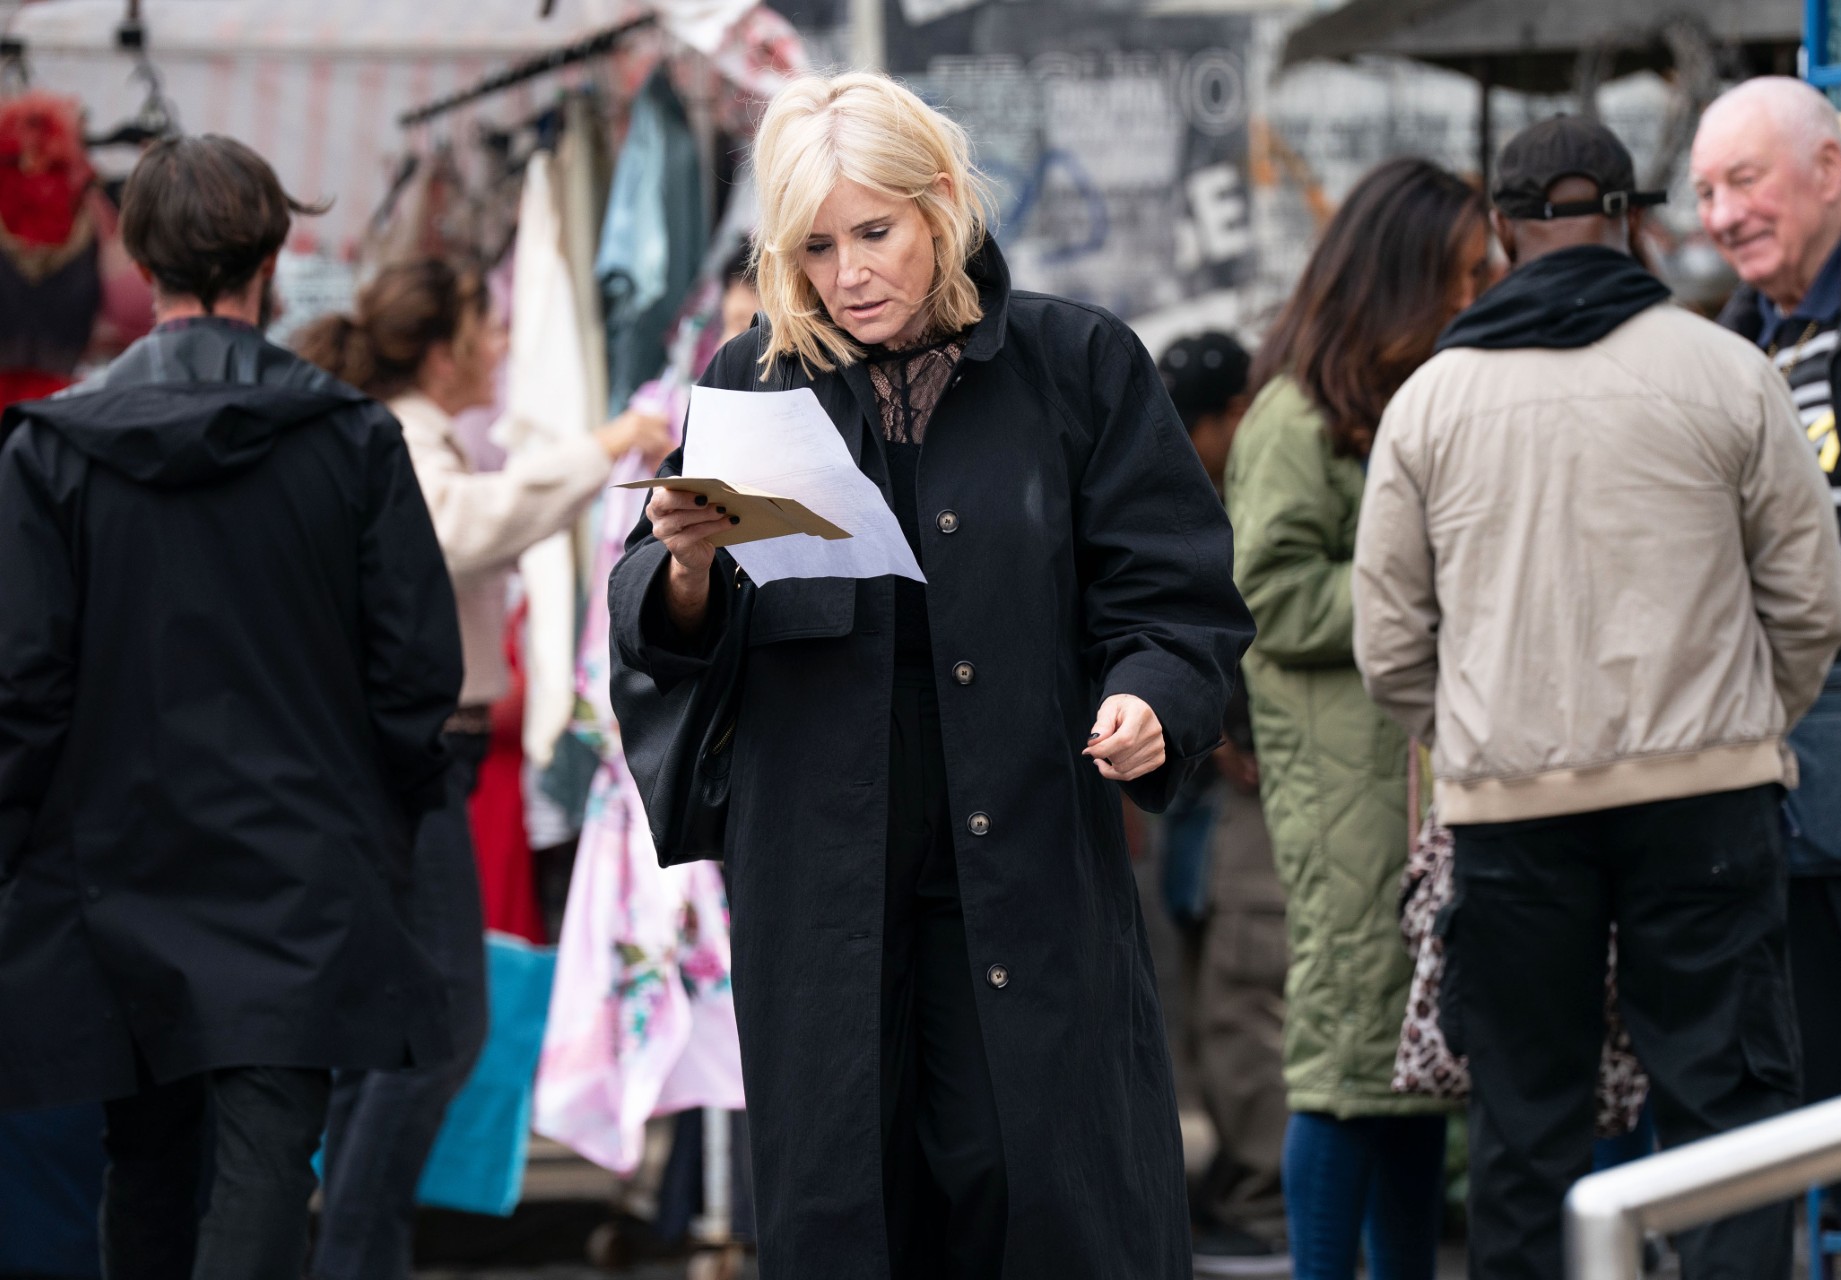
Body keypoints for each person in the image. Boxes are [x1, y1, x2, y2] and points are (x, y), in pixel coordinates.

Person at [610, 72, 1254, 1279]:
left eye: (874, 232)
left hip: (1025, 839)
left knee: (1038, 1186)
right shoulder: (754, 378)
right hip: (821, 867)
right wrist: (687, 564)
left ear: (943, 202)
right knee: (848, 1199)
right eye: (816, 247)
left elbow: (1173, 596)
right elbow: (664, 626)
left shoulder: (1079, 365)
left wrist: (1150, 697)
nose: (849, 273)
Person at [1353, 115, 1841, 1279]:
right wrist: (1742, 725)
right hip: (1708, 796)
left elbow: (1388, 642)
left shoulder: (1432, 402)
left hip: (1510, 810)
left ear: (1501, 230)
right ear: (1632, 220)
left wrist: (1475, 736)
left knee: (1527, 1126)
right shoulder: (1730, 370)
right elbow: (1811, 605)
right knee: (1727, 1110)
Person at [0, 135, 464, 1279]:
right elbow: (415, 672)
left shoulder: (51, 450)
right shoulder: (352, 439)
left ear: (138, 257)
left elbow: (22, 685)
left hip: (115, 864)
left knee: (146, 1155)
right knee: (267, 1156)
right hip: (301, 862)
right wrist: (387, 817)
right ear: (273, 253)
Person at [294, 259, 660, 1280]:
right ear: (439, 351)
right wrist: (603, 448)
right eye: (483, 327)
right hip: (411, 762)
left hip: (412, 762)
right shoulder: (406, 442)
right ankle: (353, 1253)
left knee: (408, 1026)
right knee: (446, 1021)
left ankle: (358, 1252)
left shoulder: (411, 437)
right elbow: (463, 526)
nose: (501, 345)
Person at [1226, 157, 1487, 1280]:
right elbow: (1269, 593)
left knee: (1411, 1058)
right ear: (1402, 275)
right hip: (1343, 779)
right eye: (1463, 274)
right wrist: (1427, 587)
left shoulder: (1410, 399)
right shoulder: (1296, 415)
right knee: (1347, 1053)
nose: (1478, 294)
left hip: (1410, 766)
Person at [1694, 76, 1841, 1279]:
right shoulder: (1730, 349)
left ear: (1831, 170)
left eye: (1747, 180)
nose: (1722, 215)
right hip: (1779, 749)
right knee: (1831, 1077)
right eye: (1705, 193)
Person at [1156, 332, 1291, 1278]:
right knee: (1211, 997)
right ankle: (1244, 1187)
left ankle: (1268, 1202)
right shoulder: (1177, 494)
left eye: (1195, 422)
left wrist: (1246, 731)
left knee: (1248, 997)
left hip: (1258, 804)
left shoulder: (1261, 488)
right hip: (1202, 806)